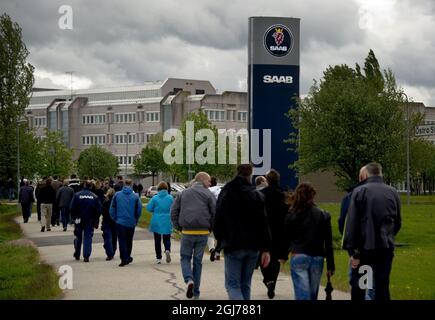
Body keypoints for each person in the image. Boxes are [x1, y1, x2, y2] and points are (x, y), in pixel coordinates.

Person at [343, 162, 401, 301]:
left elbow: (352, 224)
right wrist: (388, 236)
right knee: (382, 285)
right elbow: (397, 222)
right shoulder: (392, 192)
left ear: (367, 174)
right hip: (385, 248)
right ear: (380, 173)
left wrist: (353, 251)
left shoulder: (360, 192)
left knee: (362, 286)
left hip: (365, 250)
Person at [214, 164, 272, 300]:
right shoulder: (256, 195)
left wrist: (220, 240)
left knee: (232, 285)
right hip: (253, 245)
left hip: (233, 243)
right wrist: (266, 248)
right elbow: (264, 223)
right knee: (245, 284)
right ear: (250, 175)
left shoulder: (227, 193)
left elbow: (218, 219)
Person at [284, 182, 335, 300]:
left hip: (299, 255)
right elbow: (328, 242)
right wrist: (330, 265)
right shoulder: (323, 215)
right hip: (317, 257)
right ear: (313, 196)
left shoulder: (292, 214)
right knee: (313, 295)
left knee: (302, 294)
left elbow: (286, 236)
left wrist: (283, 255)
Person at [171, 172, 216, 299]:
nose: (210, 184)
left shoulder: (183, 193)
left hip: (187, 232)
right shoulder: (209, 194)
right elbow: (215, 213)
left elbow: (173, 211)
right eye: (209, 181)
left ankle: (189, 280)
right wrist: (210, 228)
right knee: (198, 262)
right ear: (202, 180)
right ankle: (196, 292)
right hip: (202, 233)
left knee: (185, 258)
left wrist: (178, 227)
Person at [338, 166, 371, 300]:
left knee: (359, 283)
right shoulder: (388, 194)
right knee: (374, 283)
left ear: (360, 177)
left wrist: (352, 250)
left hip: (359, 248)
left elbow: (345, 224)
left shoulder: (352, 196)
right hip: (380, 248)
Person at [259, 169, 289, 299]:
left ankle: (268, 279)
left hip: (265, 229)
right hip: (280, 230)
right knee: (276, 258)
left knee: (264, 256)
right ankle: (273, 282)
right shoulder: (283, 195)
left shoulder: (262, 194)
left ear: (266, 179)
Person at [110, 178, 143, 267]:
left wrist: (114, 218)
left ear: (124, 184)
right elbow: (139, 209)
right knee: (129, 240)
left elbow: (112, 208)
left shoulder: (117, 195)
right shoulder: (135, 196)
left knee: (122, 240)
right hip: (131, 222)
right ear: (131, 184)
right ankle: (127, 256)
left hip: (120, 221)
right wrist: (136, 219)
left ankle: (124, 258)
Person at [70, 180, 102, 262]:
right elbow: (99, 210)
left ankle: (77, 253)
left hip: (78, 219)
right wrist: (96, 219)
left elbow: (72, 208)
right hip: (89, 219)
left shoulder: (77, 195)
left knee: (78, 236)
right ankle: (86, 255)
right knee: (87, 237)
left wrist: (73, 218)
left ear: (84, 185)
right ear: (91, 186)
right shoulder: (94, 197)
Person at [147, 181, 174, 264]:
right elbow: (174, 208)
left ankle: (158, 258)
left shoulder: (155, 198)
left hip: (157, 219)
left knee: (157, 240)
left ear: (158, 188)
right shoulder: (170, 198)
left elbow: (149, 208)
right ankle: (167, 249)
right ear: (167, 188)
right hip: (167, 219)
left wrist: (154, 210)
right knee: (167, 238)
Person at [207, 176, 221, 262]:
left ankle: (212, 248)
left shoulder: (207, 192)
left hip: (210, 215)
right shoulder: (220, 190)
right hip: (220, 215)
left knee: (210, 233)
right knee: (219, 236)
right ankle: (218, 252)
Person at [101, 187, 117, 261]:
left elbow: (103, 213)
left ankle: (109, 253)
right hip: (115, 222)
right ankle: (113, 251)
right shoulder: (116, 202)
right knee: (114, 238)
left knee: (107, 238)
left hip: (107, 222)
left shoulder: (105, 202)